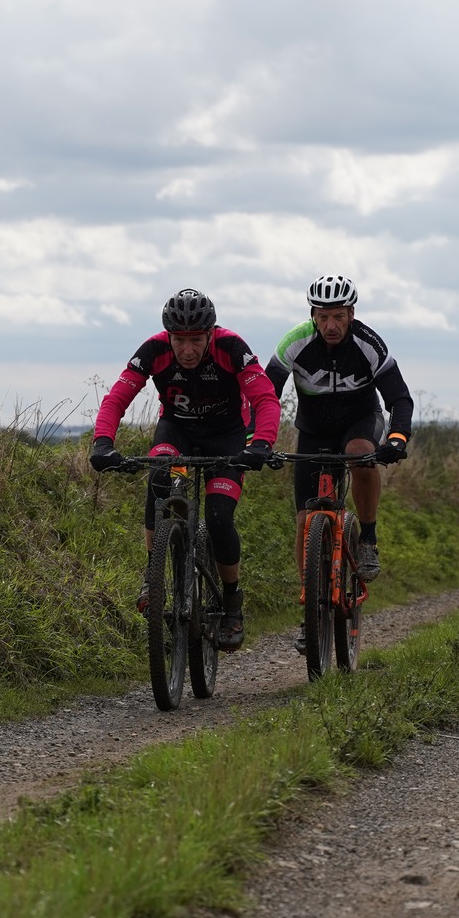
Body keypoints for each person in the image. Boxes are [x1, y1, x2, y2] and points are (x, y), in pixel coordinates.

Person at [88, 288, 281, 649]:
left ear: (210, 334)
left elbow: (265, 399)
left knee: (220, 517)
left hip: (226, 435)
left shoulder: (232, 348)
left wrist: (261, 444)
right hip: (177, 429)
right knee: (160, 472)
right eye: (180, 341)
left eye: (195, 340)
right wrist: (103, 442)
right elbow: (116, 398)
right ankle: (154, 572)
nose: (187, 350)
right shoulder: (154, 351)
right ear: (169, 337)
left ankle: (232, 602)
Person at [264, 273, 414, 582]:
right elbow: (266, 395)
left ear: (351, 315)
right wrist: (258, 440)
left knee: (360, 454)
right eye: (323, 317)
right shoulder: (295, 342)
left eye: (338, 317)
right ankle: (310, 601)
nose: (331, 325)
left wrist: (397, 439)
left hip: (360, 422)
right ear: (313, 316)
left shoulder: (368, 343)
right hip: (313, 430)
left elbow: (399, 398)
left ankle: (368, 539)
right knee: (305, 521)